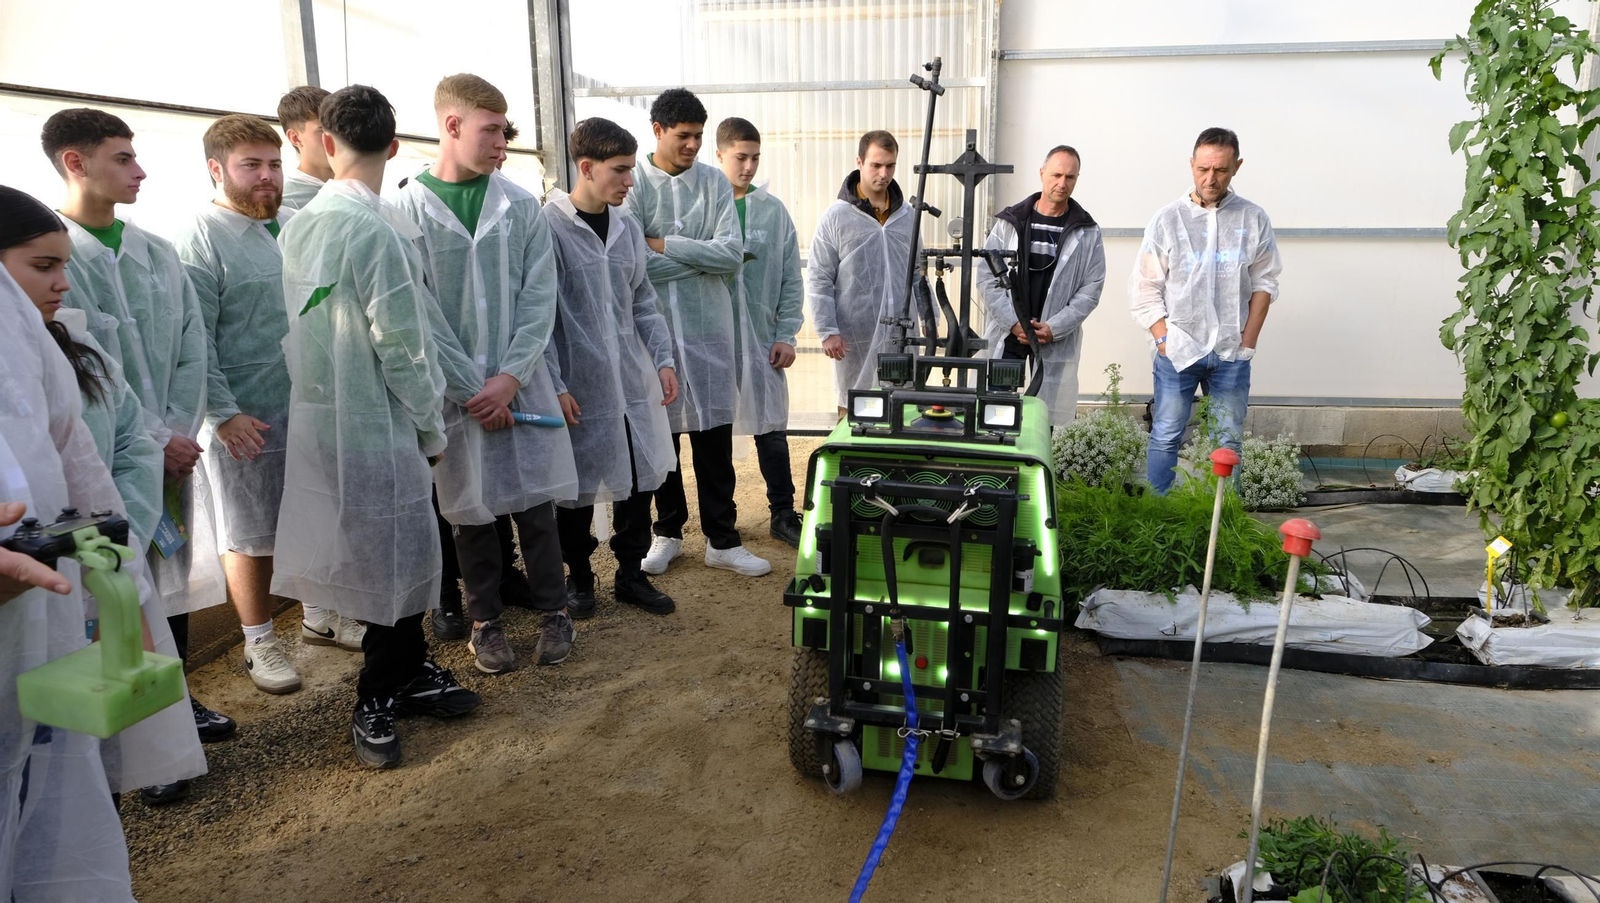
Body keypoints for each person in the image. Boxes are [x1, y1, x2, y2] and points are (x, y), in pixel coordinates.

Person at [273, 84, 480, 768]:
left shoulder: (302, 222)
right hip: (379, 422)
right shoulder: (376, 229)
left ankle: (412, 666)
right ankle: (376, 693)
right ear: (394, 147)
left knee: (387, 558)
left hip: (327, 416)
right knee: (391, 560)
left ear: (325, 143)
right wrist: (429, 426)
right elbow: (403, 344)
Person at [1, 185, 211, 808]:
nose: (62, 282)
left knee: (75, 771)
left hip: (83, 586)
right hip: (21, 600)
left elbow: (130, 447)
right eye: (42, 266)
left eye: (64, 264)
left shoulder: (78, 352)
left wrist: (111, 548)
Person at [42, 107, 236, 742]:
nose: (140, 171)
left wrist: (178, 434)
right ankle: (136, 723)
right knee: (115, 584)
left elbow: (191, 344)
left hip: (173, 448)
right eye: (122, 158)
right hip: (108, 456)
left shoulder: (156, 250)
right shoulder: (52, 260)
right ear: (75, 162)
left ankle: (176, 697)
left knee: (168, 575)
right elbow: (88, 374)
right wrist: (152, 442)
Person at [396, 74, 579, 674]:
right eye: (492, 129)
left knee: (536, 501)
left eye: (505, 130)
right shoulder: (405, 209)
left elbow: (538, 298)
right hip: (456, 395)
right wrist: (470, 388)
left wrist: (510, 378)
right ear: (452, 125)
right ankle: (485, 622)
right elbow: (416, 309)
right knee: (468, 510)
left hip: (518, 382)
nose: (504, 141)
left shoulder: (520, 204)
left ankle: (555, 612)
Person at [179, 114, 366, 696]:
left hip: (305, 399)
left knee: (310, 508)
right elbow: (195, 337)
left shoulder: (290, 223)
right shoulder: (201, 237)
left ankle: (318, 614)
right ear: (217, 169)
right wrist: (222, 413)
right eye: (250, 166)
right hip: (244, 412)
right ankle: (258, 639)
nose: (267, 177)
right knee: (250, 530)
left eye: (274, 164)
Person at [0, 265, 138, 901]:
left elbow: (85, 455)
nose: (62, 281)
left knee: (40, 775)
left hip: (40, 604)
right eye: (42, 264)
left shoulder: (47, 344)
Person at [623, 88, 770, 579]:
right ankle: (667, 533)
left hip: (709, 330)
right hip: (654, 332)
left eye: (699, 137)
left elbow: (731, 254)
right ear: (658, 131)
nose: (692, 146)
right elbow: (634, 266)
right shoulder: (634, 183)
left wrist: (664, 244)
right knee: (663, 437)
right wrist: (697, 258)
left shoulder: (713, 182)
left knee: (713, 437)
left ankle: (722, 540)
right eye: (683, 136)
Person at [547, 118, 682, 617]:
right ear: (586, 167)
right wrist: (554, 384)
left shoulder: (625, 226)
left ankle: (629, 574)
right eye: (620, 170)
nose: (630, 181)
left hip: (628, 375)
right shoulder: (550, 226)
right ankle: (579, 579)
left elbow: (643, 299)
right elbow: (538, 315)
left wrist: (662, 359)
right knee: (576, 486)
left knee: (636, 473)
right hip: (575, 379)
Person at [1130, 127, 1282, 494]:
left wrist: (1248, 342)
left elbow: (1265, 282)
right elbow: (1145, 285)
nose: (1210, 178)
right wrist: (1163, 338)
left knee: (1227, 442)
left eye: (1221, 170)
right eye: (1203, 169)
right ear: (1191, 165)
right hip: (1178, 349)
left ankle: (1222, 518)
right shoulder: (1168, 220)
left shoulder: (1252, 219)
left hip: (1231, 351)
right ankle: (1159, 515)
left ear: (1236, 167)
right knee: (1166, 433)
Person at [714, 117, 804, 548]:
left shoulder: (772, 209)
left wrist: (786, 333)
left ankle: (782, 512)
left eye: (754, 158)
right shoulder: (705, 206)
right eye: (739, 157)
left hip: (763, 340)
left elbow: (791, 276)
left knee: (771, 429)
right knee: (713, 435)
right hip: (711, 342)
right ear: (720, 155)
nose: (748, 167)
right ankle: (722, 522)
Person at [977, 145, 1105, 425]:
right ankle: (999, 468)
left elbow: (1091, 288)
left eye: (1070, 177)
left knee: (1044, 421)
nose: (1062, 183)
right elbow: (986, 275)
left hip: (1051, 338)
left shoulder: (1087, 231)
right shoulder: (1011, 222)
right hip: (1010, 334)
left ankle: (1035, 467)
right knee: (997, 412)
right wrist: (1012, 322)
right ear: (1042, 173)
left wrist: (1055, 327)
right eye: (1056, 174)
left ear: (1077, 179)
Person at [807, 130, 916, 418]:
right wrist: (828, 331)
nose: (884, 173)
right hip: (854, 337)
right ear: (859, 162)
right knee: (855, 415)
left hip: (902, 335)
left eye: (890, 165)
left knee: (902, 413)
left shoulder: (907, 216)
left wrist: (929, 321)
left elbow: (918, 274)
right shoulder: (837, 217)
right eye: (876, 165)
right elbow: (819, 277)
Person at [277, 85, 332, 211]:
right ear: (295, 138)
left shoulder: (360, 190)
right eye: (323, 130)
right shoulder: (285, 204)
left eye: (341, 128)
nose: (339, 137)